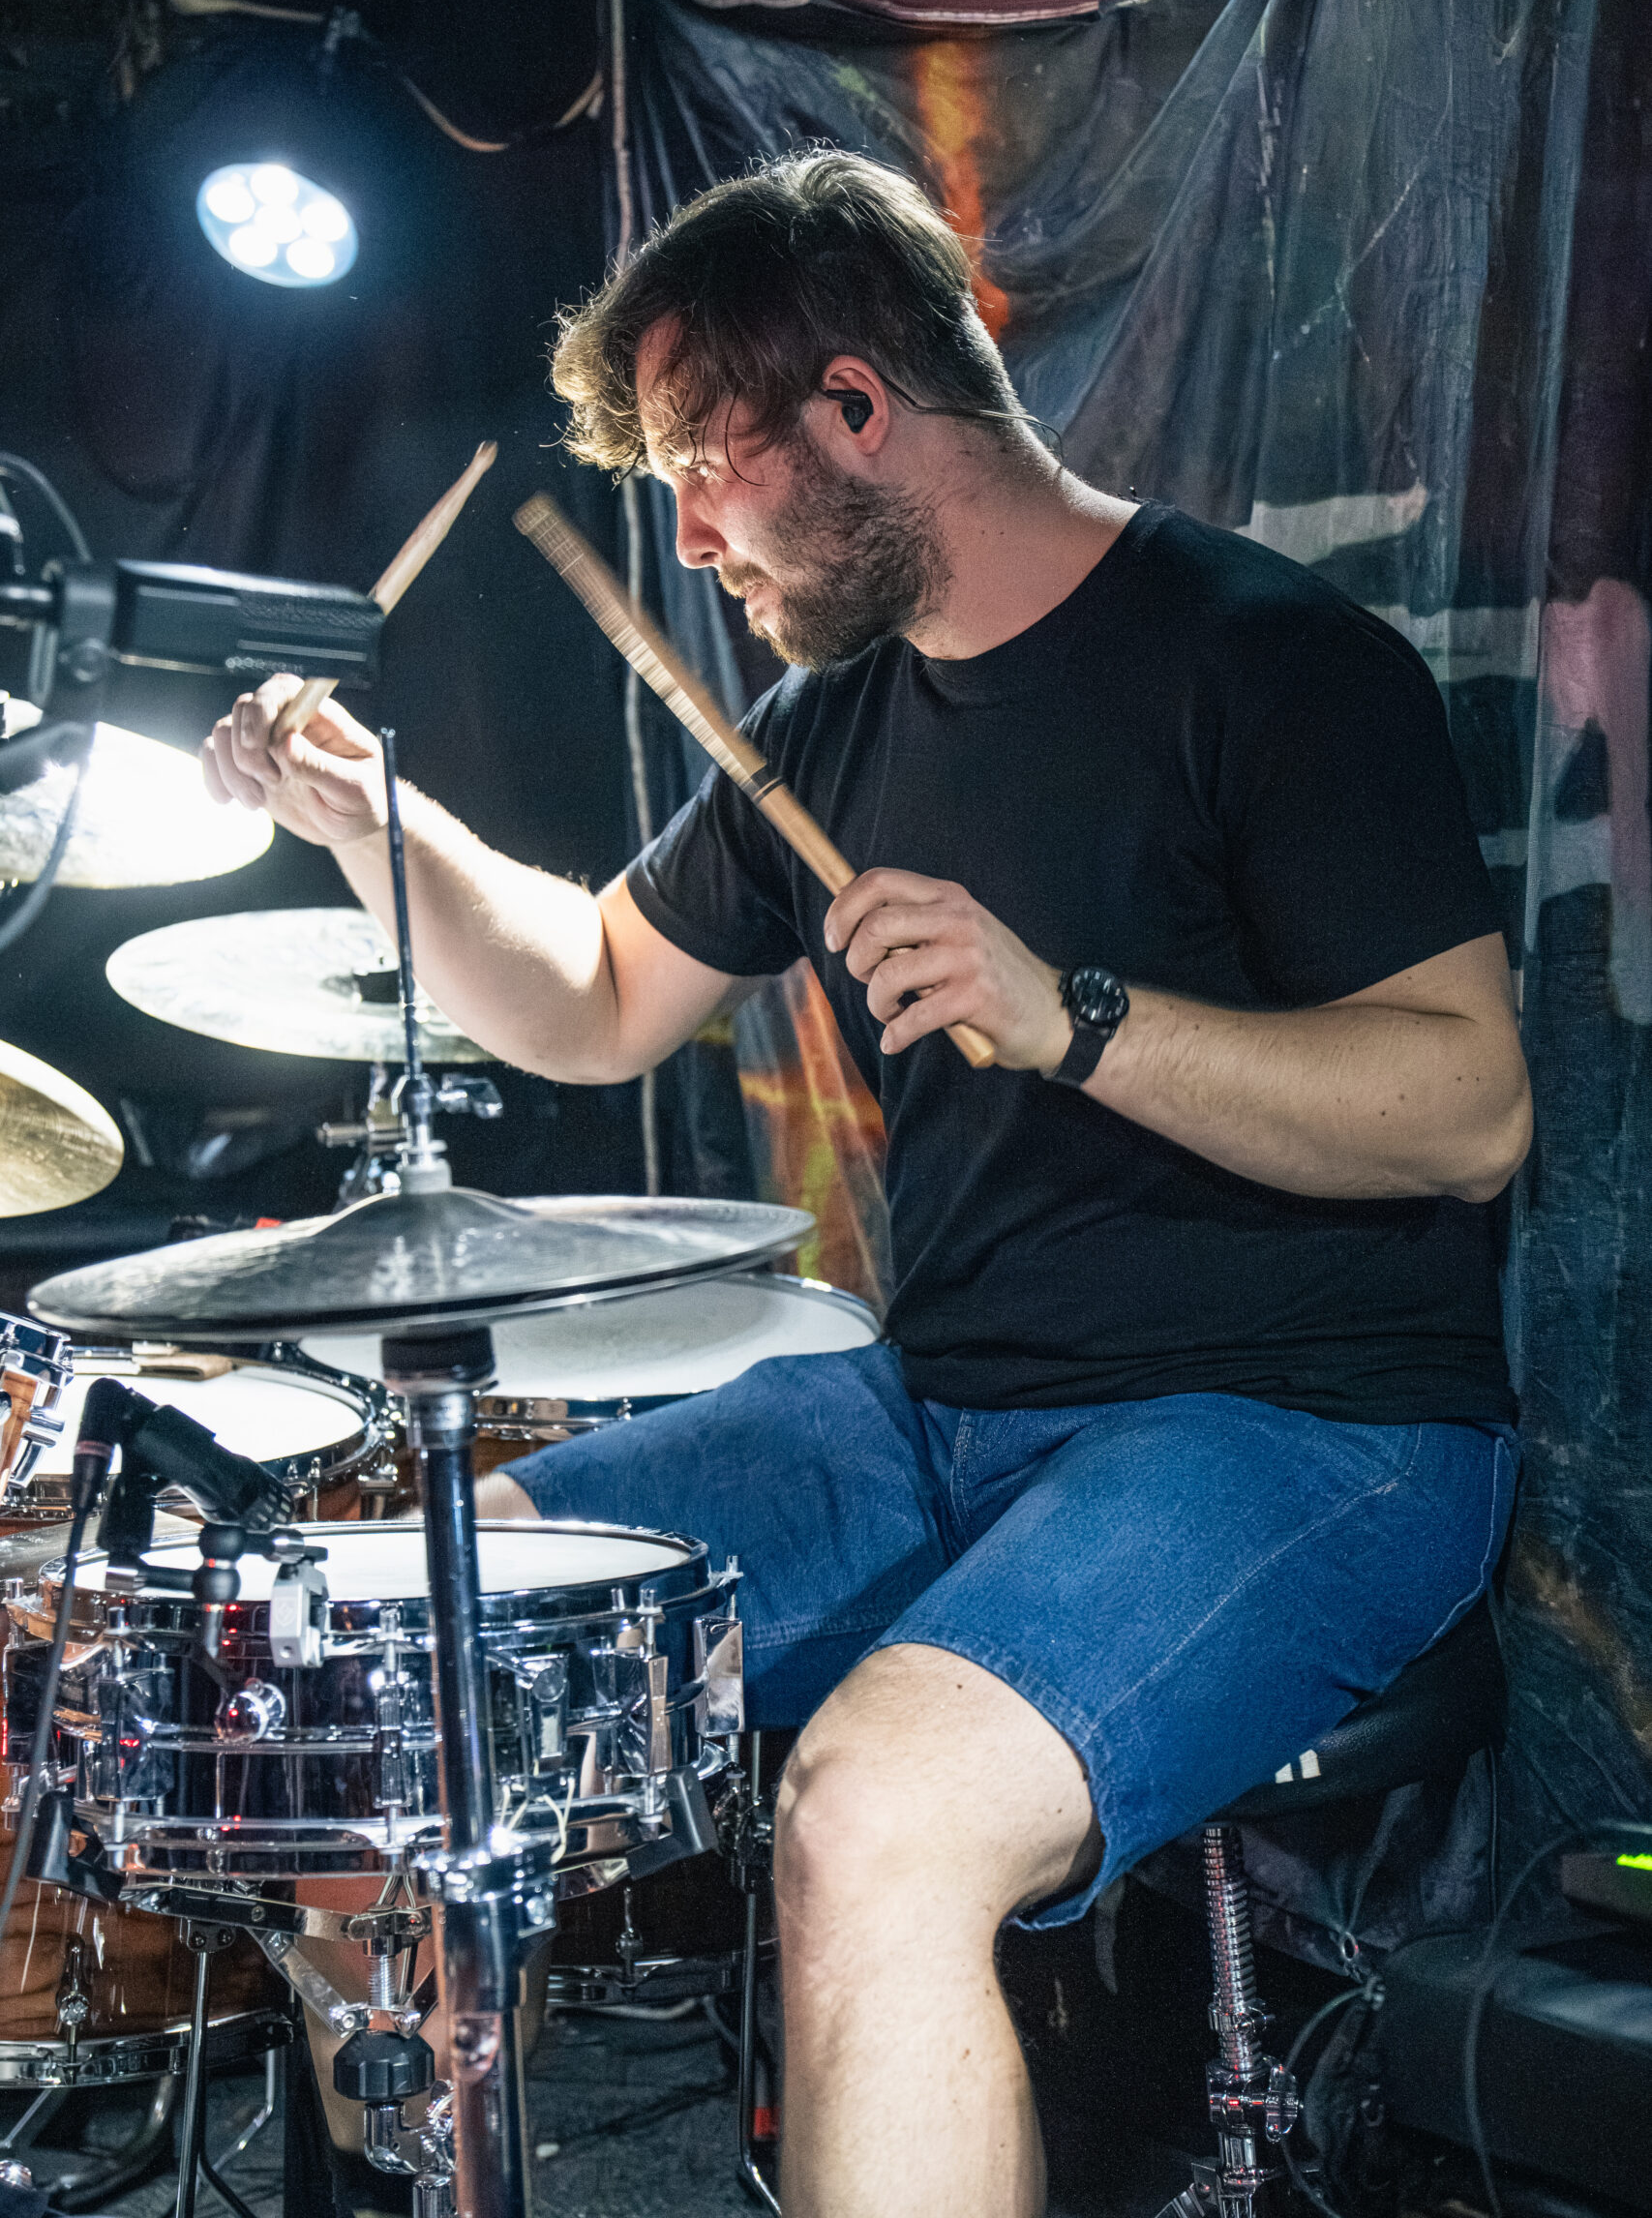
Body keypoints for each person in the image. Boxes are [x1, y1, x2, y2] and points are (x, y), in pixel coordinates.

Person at [204, 150, 1530, 2218]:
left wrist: (1069, 1014)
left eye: (700, 466)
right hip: (944, 1415)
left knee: (873, 1815)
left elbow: (1465, 1106)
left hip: (1303, 1428)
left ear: (852, 407)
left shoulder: (1266, 660)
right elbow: (591, 1000)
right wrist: (378, 820)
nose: (686, 532)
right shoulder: (834, 720)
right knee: (385, 1654)